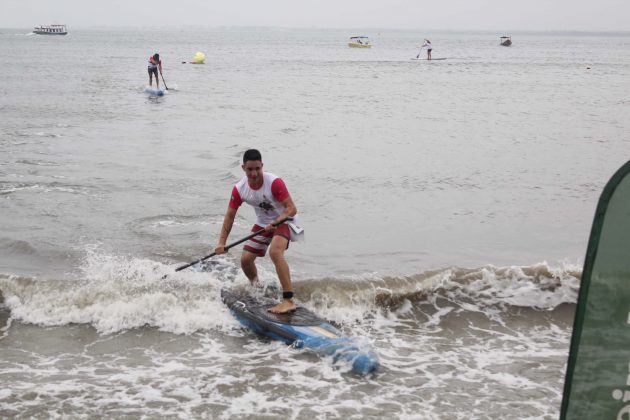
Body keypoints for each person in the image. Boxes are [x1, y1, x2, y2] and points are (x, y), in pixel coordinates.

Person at [215, 149, 299, 314]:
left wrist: (276, 222)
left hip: (285, 221)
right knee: (245, 260)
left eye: (257, 169)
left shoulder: (274, 182)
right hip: (263, 224)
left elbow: (292, 209)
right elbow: (230, 216)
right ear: (243, 168)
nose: (254, 173)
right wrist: (222, 243)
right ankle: (257, 288)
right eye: (250, 170)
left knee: (275, 252)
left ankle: (288, 300)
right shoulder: (239, 189)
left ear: (262, 166)